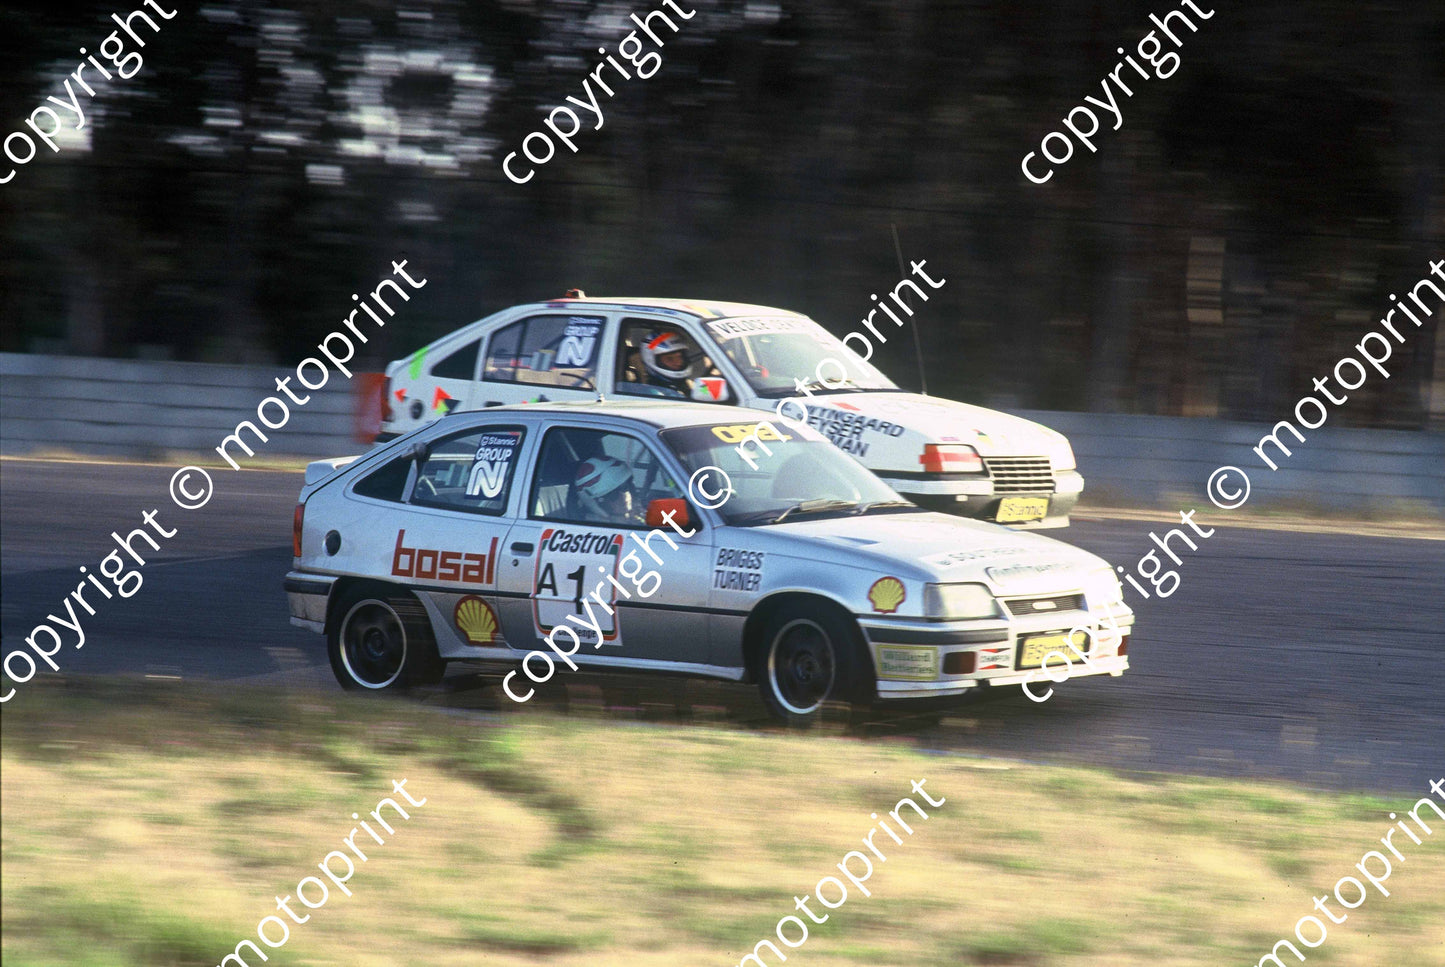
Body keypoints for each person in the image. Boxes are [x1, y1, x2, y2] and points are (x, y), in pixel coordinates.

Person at [573, 454, 642, 525]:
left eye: (626, 487)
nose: (624, 496)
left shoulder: (635, 518)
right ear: (598, 502)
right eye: (613, 495)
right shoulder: (592, 530)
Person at [639, 330, 699, 396]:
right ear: (651, 360)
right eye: (670, 359)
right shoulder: (652, 393)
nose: (678, 363)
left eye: (680, 357)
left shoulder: (686, 385)